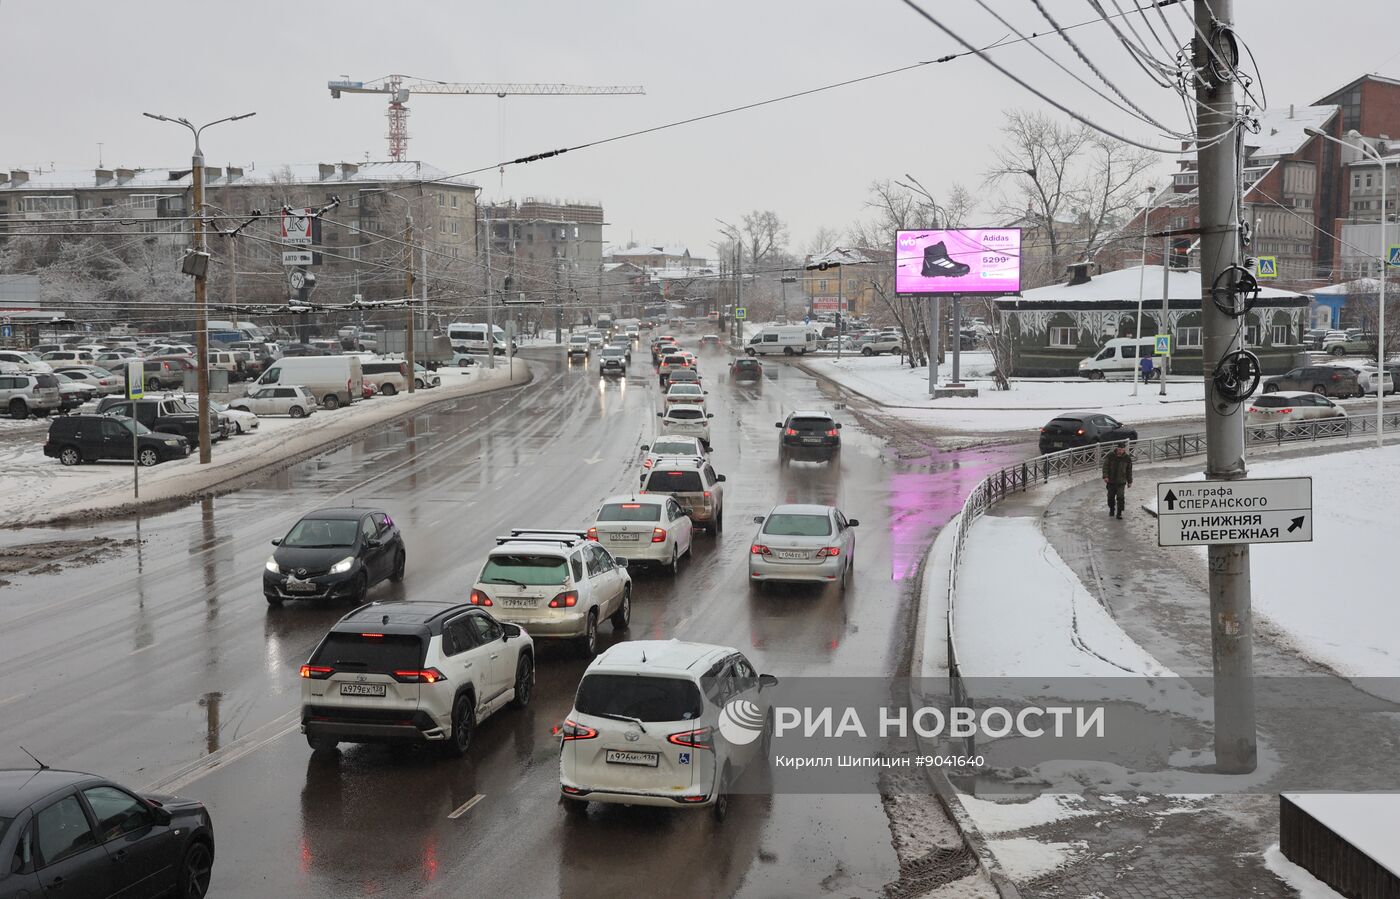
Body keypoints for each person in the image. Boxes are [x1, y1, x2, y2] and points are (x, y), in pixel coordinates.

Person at [1102, 443, 1133, 519]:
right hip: (1111, 481)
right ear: (1117, 448)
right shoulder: (1110, 456)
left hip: (1121, 482)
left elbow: (1129, 471)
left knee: (1120, 497)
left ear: (1124, 449)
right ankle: (1112, 509)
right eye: (1119, 449)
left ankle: (1119, 513)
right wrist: (1105, 476)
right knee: (1110, 497)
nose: (1120, 451)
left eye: (1122, 449)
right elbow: (1105, 467)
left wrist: (1130, 481)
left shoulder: (1127, 458)